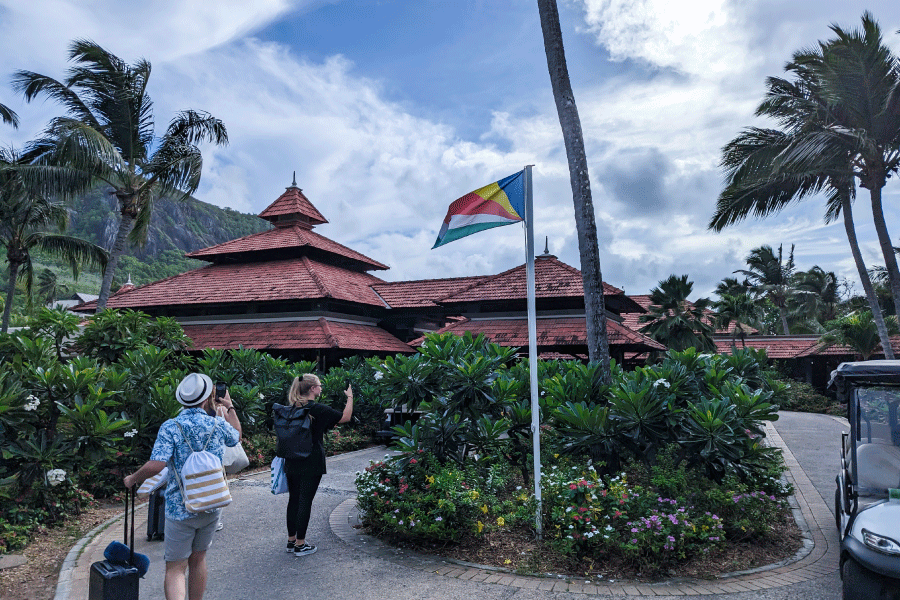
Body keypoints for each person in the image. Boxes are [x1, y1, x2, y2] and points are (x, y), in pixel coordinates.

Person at [124, 373, 241, 600]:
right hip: (211, 502)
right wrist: (230, 407)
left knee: (176, 568)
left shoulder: (171, 427)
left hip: (180, 508)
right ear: (207, 397)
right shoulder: (217, 423)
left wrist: (133, 479)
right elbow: (236, 437)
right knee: (198, 560)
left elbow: (157, 464)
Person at [275, 374, 352, 556]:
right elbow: (345, 417)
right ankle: (301, 545)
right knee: (305, 501)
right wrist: (350, 397)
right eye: (319, 385)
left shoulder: (291, 409)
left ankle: (291, 540)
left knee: (294, 499)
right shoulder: (317, 409)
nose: (321, 388)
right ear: (312, 389)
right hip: (311, 460)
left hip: (291, 459)